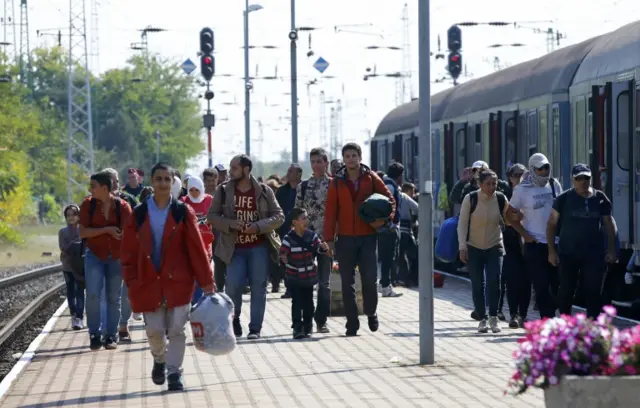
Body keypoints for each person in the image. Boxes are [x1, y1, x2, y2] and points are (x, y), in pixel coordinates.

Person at [121, 162, 215, 391]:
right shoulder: (140, 213)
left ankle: (174, 373)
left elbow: (196, 248)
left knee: (177, 330)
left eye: (167, 179)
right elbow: (129, 251)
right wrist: (132, 281)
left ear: (173, 183)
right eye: (159, 179)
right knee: (153, 330)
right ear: (151, 182)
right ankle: (160, 359)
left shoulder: (183, 212)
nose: (163, 183)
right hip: (149, 281)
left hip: (179, 282)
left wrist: (207, 282)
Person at [207, 154, 284, 340]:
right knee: (233, 286)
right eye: (231, 167)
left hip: (259, 248)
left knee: (259, 287)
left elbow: (279, 216)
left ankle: (255, 329)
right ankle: (234, 319)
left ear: (246, 170)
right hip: (234, 249)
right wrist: (230, 224)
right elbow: (212, 217)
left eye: (234, 168)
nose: (230, 171)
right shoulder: (223, 191)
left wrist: (257, 227)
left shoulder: (265, 191)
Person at [324, 142, 396, 336]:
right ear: (343, 159)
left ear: (360, 157)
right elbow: (330, 212)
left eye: (354, 155)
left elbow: (390, 200)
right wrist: (329, 239)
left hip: (367, 238)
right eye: (347, 156)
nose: (351, 159)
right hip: (345, 239)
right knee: (347, 283)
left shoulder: (371, 178)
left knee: (370, 280)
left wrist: (383, 221)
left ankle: (371, 312)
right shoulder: (336, 182)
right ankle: (352, 322)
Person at [546, 164, 617, 318]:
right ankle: (565, 322)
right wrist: (551, 250)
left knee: (593, 290)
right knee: (566, 290)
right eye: (579, 178)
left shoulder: (600, 199)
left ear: (592, 179)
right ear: (573, 180)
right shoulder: (563, 199)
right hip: (568, 253)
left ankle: (592, 326)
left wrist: (611, 249)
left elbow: (609, 224)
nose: (583, 181)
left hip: (593, 254)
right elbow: (551, 224)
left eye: (586, 178)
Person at [79, 171, 132, 350]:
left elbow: (132, 232)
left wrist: (125, 235)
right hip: (94, 255)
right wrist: (107, 230)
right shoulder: (87, 205)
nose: (90, 190)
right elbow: (83, 232)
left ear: (104, 188)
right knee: (93, 295)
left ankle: (111, 336)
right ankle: (94, 333)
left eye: (93, 186)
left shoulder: (123, 207)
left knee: (113, 297)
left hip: (116, 257)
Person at [509, 154, 563, 320]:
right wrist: (525, 235)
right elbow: (508, 217)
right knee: (541, 285)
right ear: (532, 169)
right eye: (539, 168)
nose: (543, 171)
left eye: (546, 167)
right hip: (535, 245)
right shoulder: (522, 189)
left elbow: (561, 210)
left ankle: (554, 314)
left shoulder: (554, 185)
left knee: (558, 285)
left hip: (555, 243)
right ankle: (547, 320)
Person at [457, 169, 510, 334]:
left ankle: (494, 317)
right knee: (477, 285)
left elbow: (507, 220)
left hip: (495, 245)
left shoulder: (500, 198)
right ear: (480, 184)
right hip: (474, 246)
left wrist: (517, 216)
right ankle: (482, 318)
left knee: (495, 282)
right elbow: (462, 224)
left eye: (494, 183)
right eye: (488, 184)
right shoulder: (471, 198)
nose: (492, 187)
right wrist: (462, 247)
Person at [294, 147, 332, 332]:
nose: (316, 165)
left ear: (326, 162)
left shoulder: (333, 185)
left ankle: (321, 319)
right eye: (313, 162)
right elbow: (297, 212)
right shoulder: (303, 186)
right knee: (306, 283)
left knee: (325, 283)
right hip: (307, 241)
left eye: (319, 161)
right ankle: (305, 319)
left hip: (327, 240)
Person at [279, 208, 329, 339]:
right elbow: (282, 252)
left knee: (308, 303)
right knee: (296, 302)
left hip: (308, 275)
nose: (306, 220)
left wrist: (323, 249)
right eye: (303, 218)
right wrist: (283, 257)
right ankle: (297, 327)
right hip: (294, 276)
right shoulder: (288, 238)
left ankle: (308, 326)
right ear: (295, 222)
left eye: (307, 217)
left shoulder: (312, 235)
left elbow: (318, 248)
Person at [499, 163, 530, 328]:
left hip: (529, 242)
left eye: (523, 174)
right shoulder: (506, 195)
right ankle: (513, 314)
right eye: (516, 175)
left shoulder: (531, 193)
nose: (520, 177)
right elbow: (506, 218)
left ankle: (523, 315)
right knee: (512, 279)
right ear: (510, 178)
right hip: (510, 242)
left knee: (525, 281)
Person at [180, 176, 214, 304]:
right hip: (188, 247)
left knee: (202, 275)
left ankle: (198, 306)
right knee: (190, 277)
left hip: (205, 246)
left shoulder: (209, 200)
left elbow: (216, 216)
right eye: (191, 189)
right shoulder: (183, 201)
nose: (194, 192)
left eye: (197, 189)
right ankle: (191, 303)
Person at [275, 164, 303, 299]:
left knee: (300, 259)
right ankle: (289, 288)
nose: (289, 173)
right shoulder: (281, 191)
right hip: (284, 230)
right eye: (288, 170)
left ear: (299, 174)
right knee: (286, 260)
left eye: (292, 171)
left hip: (301, 230)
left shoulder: (304, 189)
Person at [379, 163, 404, 297]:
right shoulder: (390, 186)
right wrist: (391, 223)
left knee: (387, 258)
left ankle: (384, 283)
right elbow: (387, 207)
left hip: (386, 227)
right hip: (389, 229)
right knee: (388, 258)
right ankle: (385, 286)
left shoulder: (386, 183)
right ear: (399, 176)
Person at [58, 204, 84, 330]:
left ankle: (79, 317)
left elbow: (85, 246)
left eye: (74, 214)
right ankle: (73, 314)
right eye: (68, 215)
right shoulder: (62, 232)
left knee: (80, 291)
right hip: (68, 266)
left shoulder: (83, 230)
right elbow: (64, 248)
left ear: (78, 215)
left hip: (80, 266)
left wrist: (74, 244)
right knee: (70, 291)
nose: (71, 217)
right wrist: (76, 242)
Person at [398, 183, 419, 287]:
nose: (413, 194)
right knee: (414, 256)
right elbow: (418, 208)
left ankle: (401, 278)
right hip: (406, 231)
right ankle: (410, 279)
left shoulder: (392, 195)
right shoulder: (404, 197)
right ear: (407, 190)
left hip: (396, 231)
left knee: (400, 255)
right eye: (412, 191)